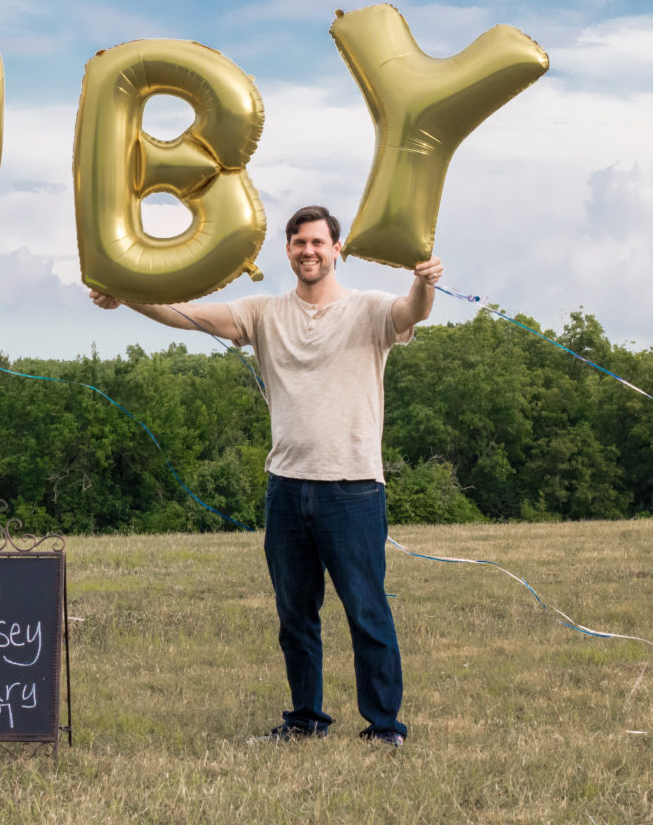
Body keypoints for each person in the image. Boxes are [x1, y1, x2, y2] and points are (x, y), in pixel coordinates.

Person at [89, 205, 442, 746]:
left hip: (353, 489)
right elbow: (187, 313)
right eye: (300, 243)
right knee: (295, 617)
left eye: (319, 243)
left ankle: (385, 727)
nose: (309, 251)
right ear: (288, 250)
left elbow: (411, 313)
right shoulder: (263, 313)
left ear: (337, 249)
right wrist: (126, 297)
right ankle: (305, 720)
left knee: (367, 611)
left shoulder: (369, 309)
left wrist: (424, 284)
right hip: (286, 489)